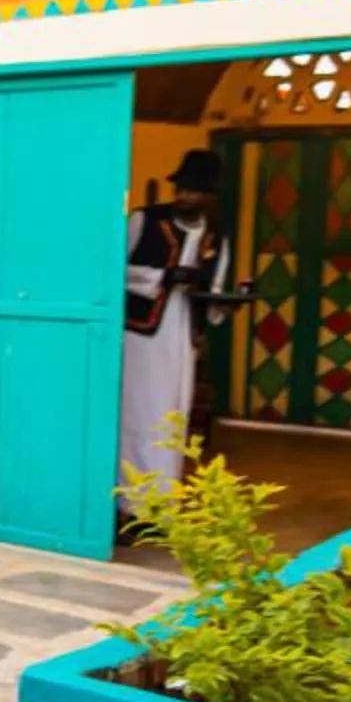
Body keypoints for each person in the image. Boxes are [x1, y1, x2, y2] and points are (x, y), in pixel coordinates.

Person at [116, 151, 228, 536]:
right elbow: (112, 270)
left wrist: (222, 304)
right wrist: (162, 276)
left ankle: (159, 509)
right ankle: (126, 505)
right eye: (182, 188)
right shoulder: (144, 221)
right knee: (136, 415)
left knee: (171, 419)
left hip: (182, 335)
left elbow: (217, 288)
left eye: (195, 191)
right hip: (140, 333)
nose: (185, 196)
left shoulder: (216, 234)